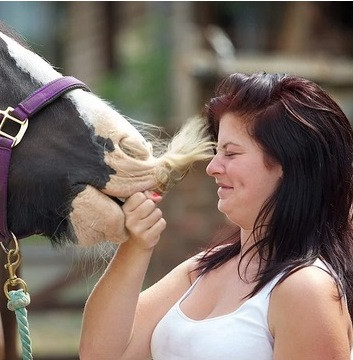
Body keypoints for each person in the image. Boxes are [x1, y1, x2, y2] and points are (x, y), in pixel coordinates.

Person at [79, 72, 353, 360]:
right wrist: (136, 245)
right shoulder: (203, 269)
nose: (213, 168)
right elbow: (100, 354)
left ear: (289, 164)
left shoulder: (306, 288)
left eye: (231, 154)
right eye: (217, 151)